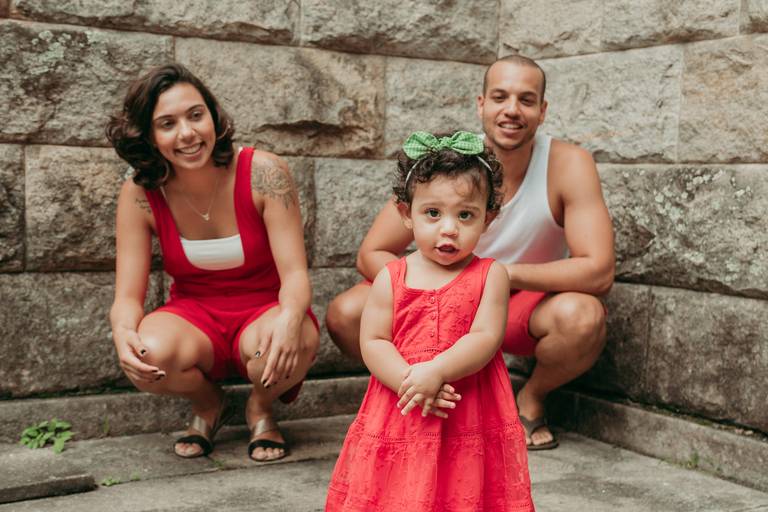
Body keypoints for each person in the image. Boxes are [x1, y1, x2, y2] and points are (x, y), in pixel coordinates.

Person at [326, 55, 615, 450]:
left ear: (543, 111)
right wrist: (424, 290)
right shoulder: (451, 163)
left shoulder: (568, 164)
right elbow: (371, 252)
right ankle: (412, 387)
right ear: (481, 104)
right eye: (500, 97)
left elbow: (598, 271)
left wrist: (496, 274)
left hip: (521, 305)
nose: (512, 110)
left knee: (583, 317)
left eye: (526, 100)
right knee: (346, 313)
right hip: (437, 298)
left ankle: (530, 399)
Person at [106, 63, 319, 461]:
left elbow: (295, 275)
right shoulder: (139, 193)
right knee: (147, 352)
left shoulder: (264, 172)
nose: (187, 133)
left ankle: (260, 405)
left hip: (264, 309)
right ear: (149, 136)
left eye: (195, 115)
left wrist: (291, 318)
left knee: (291, 340)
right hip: (193, 315)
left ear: (212, 115)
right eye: (167, 123)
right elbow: (127, 296)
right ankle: (208, 404)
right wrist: (122, 333)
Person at [325, 131, 535, 511]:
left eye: (465, 214)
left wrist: (436, 370)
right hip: (402, 400)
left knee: (463, 482)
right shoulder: (392, 275)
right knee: (399, 485)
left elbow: (486, 337)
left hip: (467, 404)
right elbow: (374, 340)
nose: (449, 228)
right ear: (407, 214)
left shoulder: (492, 275)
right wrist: (412, 383)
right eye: (433, 213)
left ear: (488, 219)